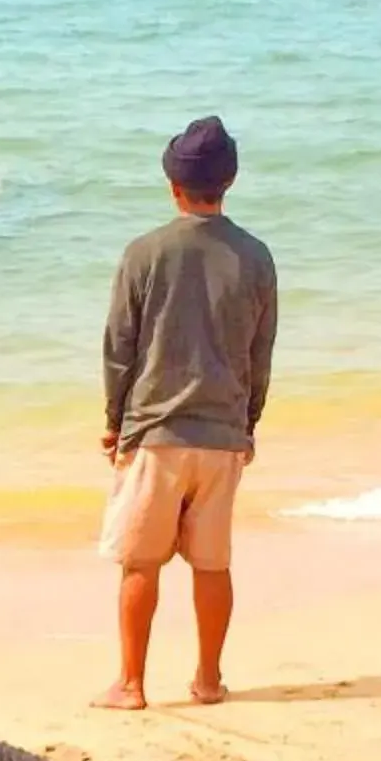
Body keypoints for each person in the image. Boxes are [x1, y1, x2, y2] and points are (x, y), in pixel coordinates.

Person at [95, 116, 276, 711]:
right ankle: (207, 679)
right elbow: (259, 349)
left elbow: (120, 345)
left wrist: (114, 420)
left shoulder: (144, 253)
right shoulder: (255, 257)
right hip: (221, 434)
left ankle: (131, 684)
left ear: (173, 185)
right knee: (212, 564)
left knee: (140, 561)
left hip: (156, 433)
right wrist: (246, 424)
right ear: (230, 182)